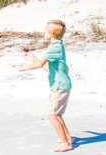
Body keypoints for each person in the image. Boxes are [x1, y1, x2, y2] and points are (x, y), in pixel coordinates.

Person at [15, 20, 73, 152]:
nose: (44, 32)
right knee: (57, 115)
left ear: (51, 33)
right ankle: (68, 138)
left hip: (60, 86)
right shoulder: (58, 45)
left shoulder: (54, 47)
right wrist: (36, 61)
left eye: (46, 30)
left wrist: (24, 68)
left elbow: (40, 64)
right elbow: (48, 67)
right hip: (61, 84)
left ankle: (66, 143)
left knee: (52, 115)